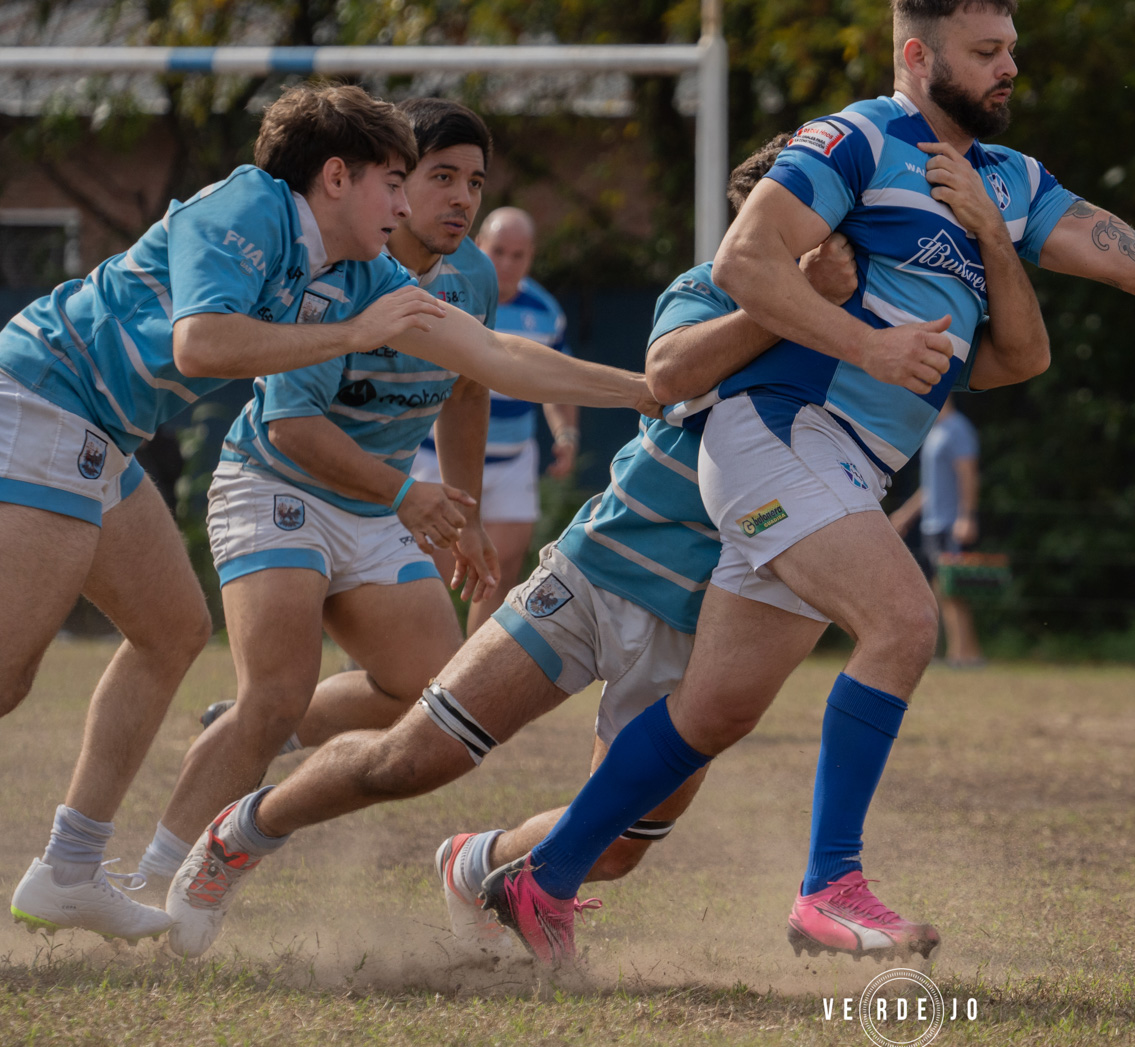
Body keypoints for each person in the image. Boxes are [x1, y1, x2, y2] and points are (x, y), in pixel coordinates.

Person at [474, 0, 1135, 967]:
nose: (1010, 66)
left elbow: (1133, 263)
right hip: (778, 435)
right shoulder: (853, 141)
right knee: (904, 620)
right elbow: (743, 268)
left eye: (1012, 48)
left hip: (842, 468)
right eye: (987, 51)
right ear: (918, 56)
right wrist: (869, 346)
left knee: (716, 710)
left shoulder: (1009, 184)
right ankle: (827, 889)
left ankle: (543, 880)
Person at [152, 132, 1046, 963]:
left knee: (619, 844)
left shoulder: (877, 336)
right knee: (413, 758)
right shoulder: (712, 292)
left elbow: (1013, 356)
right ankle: (244, 831)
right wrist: (801, 301)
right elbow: (671, 378)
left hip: (709, 629)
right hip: (602, 576)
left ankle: (481, 863)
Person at [5, 83, 659, 945]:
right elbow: (200, 343)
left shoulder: (360, 272)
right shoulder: (251, 205)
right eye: (399, 182)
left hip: (103, 437)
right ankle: (84, 864)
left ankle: (69, 868)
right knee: (9, 677)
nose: (409, 204)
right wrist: (356, 336)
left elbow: (491, 358)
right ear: (338, 178)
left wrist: (655, 390)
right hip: (42, 405)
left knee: (170, 629)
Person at [128, 98, 506, 890]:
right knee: (272, 692)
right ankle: (152, 877)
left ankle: (266, 731)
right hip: (277, 485)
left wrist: (461, 515)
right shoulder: (333, 273)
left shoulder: (472, 275)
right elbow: (295, 428)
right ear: (390, 186)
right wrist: (409, 494)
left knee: (430, 692)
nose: (461, 198)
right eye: (439, 177)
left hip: (376, 504)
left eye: (474, 180)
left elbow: (469, 392)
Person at [414, 206, 580, 634]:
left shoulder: (545, 311)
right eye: (498, 251)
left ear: (531, 257)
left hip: (511, 461)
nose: (506, 264)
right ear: (479, 246)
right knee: (420, 568)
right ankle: (402, 661)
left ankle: (465, 680)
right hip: (437, 457)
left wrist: (566, 433)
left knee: (497, 571)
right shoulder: (444, 292)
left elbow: (557, 379)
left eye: (518, 255)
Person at [889, 398, 984, 665]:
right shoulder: (934, 432)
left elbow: (968, 473)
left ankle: (965, 655)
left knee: (953, 590)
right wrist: (905, 514)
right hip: (932, 525)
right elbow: (930, 488)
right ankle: (962, 654)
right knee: (941, 590)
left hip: (951, 524)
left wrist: (967, 517)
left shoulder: (958, 428)